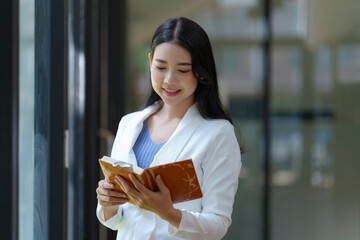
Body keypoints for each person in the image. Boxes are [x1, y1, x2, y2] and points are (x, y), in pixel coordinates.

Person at [96, 17, 242, 240]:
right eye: (161, 67)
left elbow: (218, 224)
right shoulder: (129, 124)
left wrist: (169, 213)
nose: (169, 79)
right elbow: (117, 220)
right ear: (150, 61)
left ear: (201, 72)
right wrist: (107, 202)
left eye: (183, 70)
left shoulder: (218, 134)